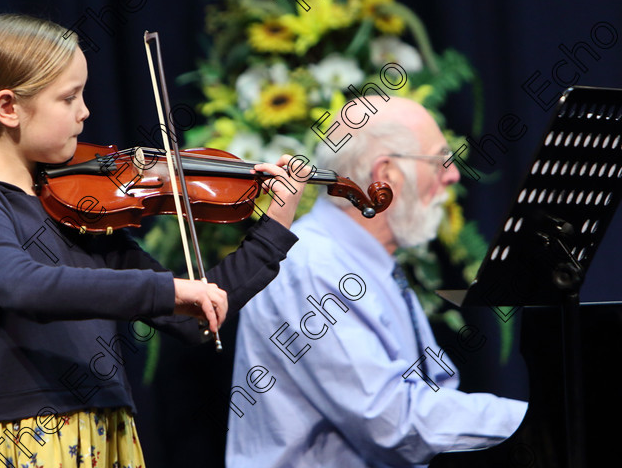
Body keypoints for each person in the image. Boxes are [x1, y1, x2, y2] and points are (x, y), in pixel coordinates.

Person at [0, 14, 305, 468]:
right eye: (69, 97)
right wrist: (167, 291)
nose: (85, 111)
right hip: (36, 441)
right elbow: (24, 285)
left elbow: (197, 315)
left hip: (110, 436)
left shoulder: (79, 209)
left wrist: (275, 224)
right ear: (8, 108)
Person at [225, 96, 527, 468]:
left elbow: (434, 390)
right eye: (440, 160)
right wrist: (533, 419)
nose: (453, 175)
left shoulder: (370, 260)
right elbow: (391, 420)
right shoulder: (312, 264)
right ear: (386, 174)